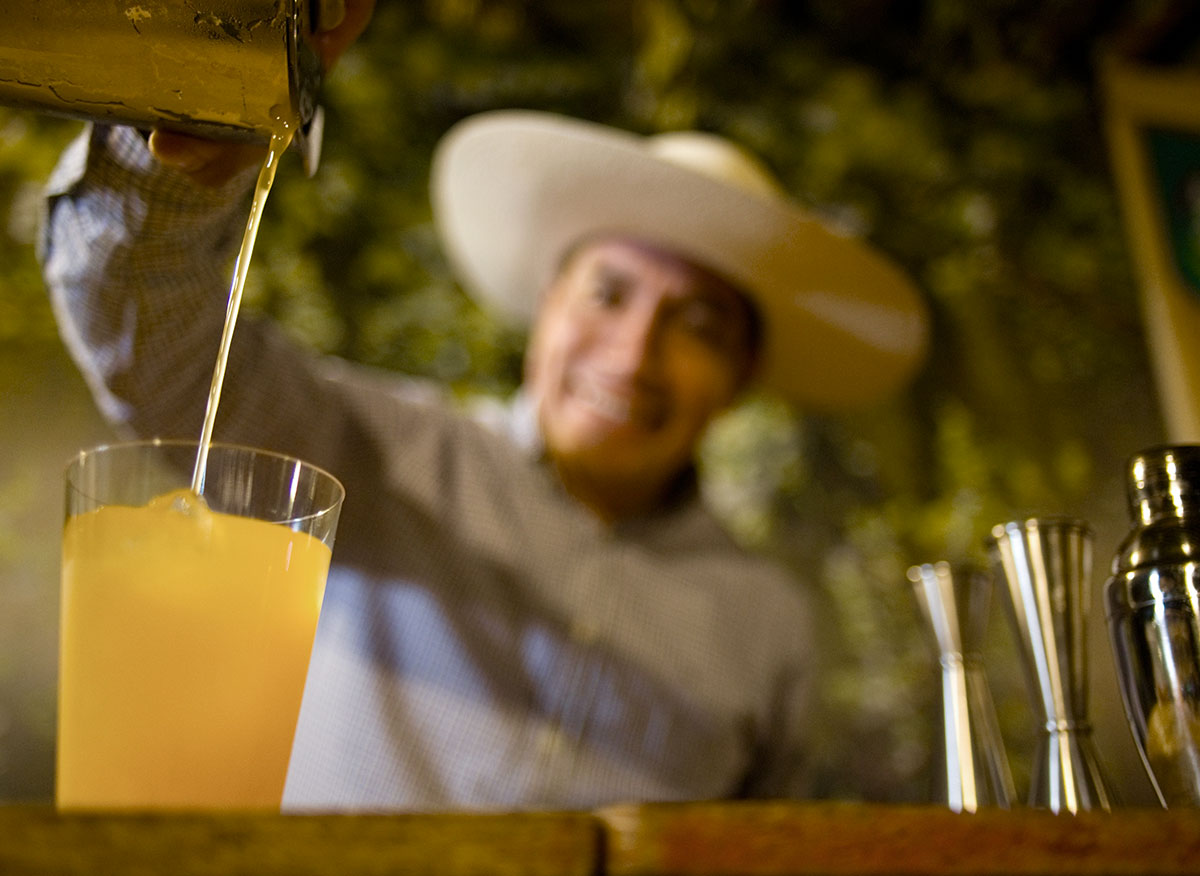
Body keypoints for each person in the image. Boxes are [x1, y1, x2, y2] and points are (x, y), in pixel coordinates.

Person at [37, 9, 928, 811]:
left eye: (696, 323)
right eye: (609, 295)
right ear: (546, 309)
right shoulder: (372, 455)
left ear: (740, 377)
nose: (632, 355)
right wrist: (189, 138)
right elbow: (150, 339)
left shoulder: (769, 629)